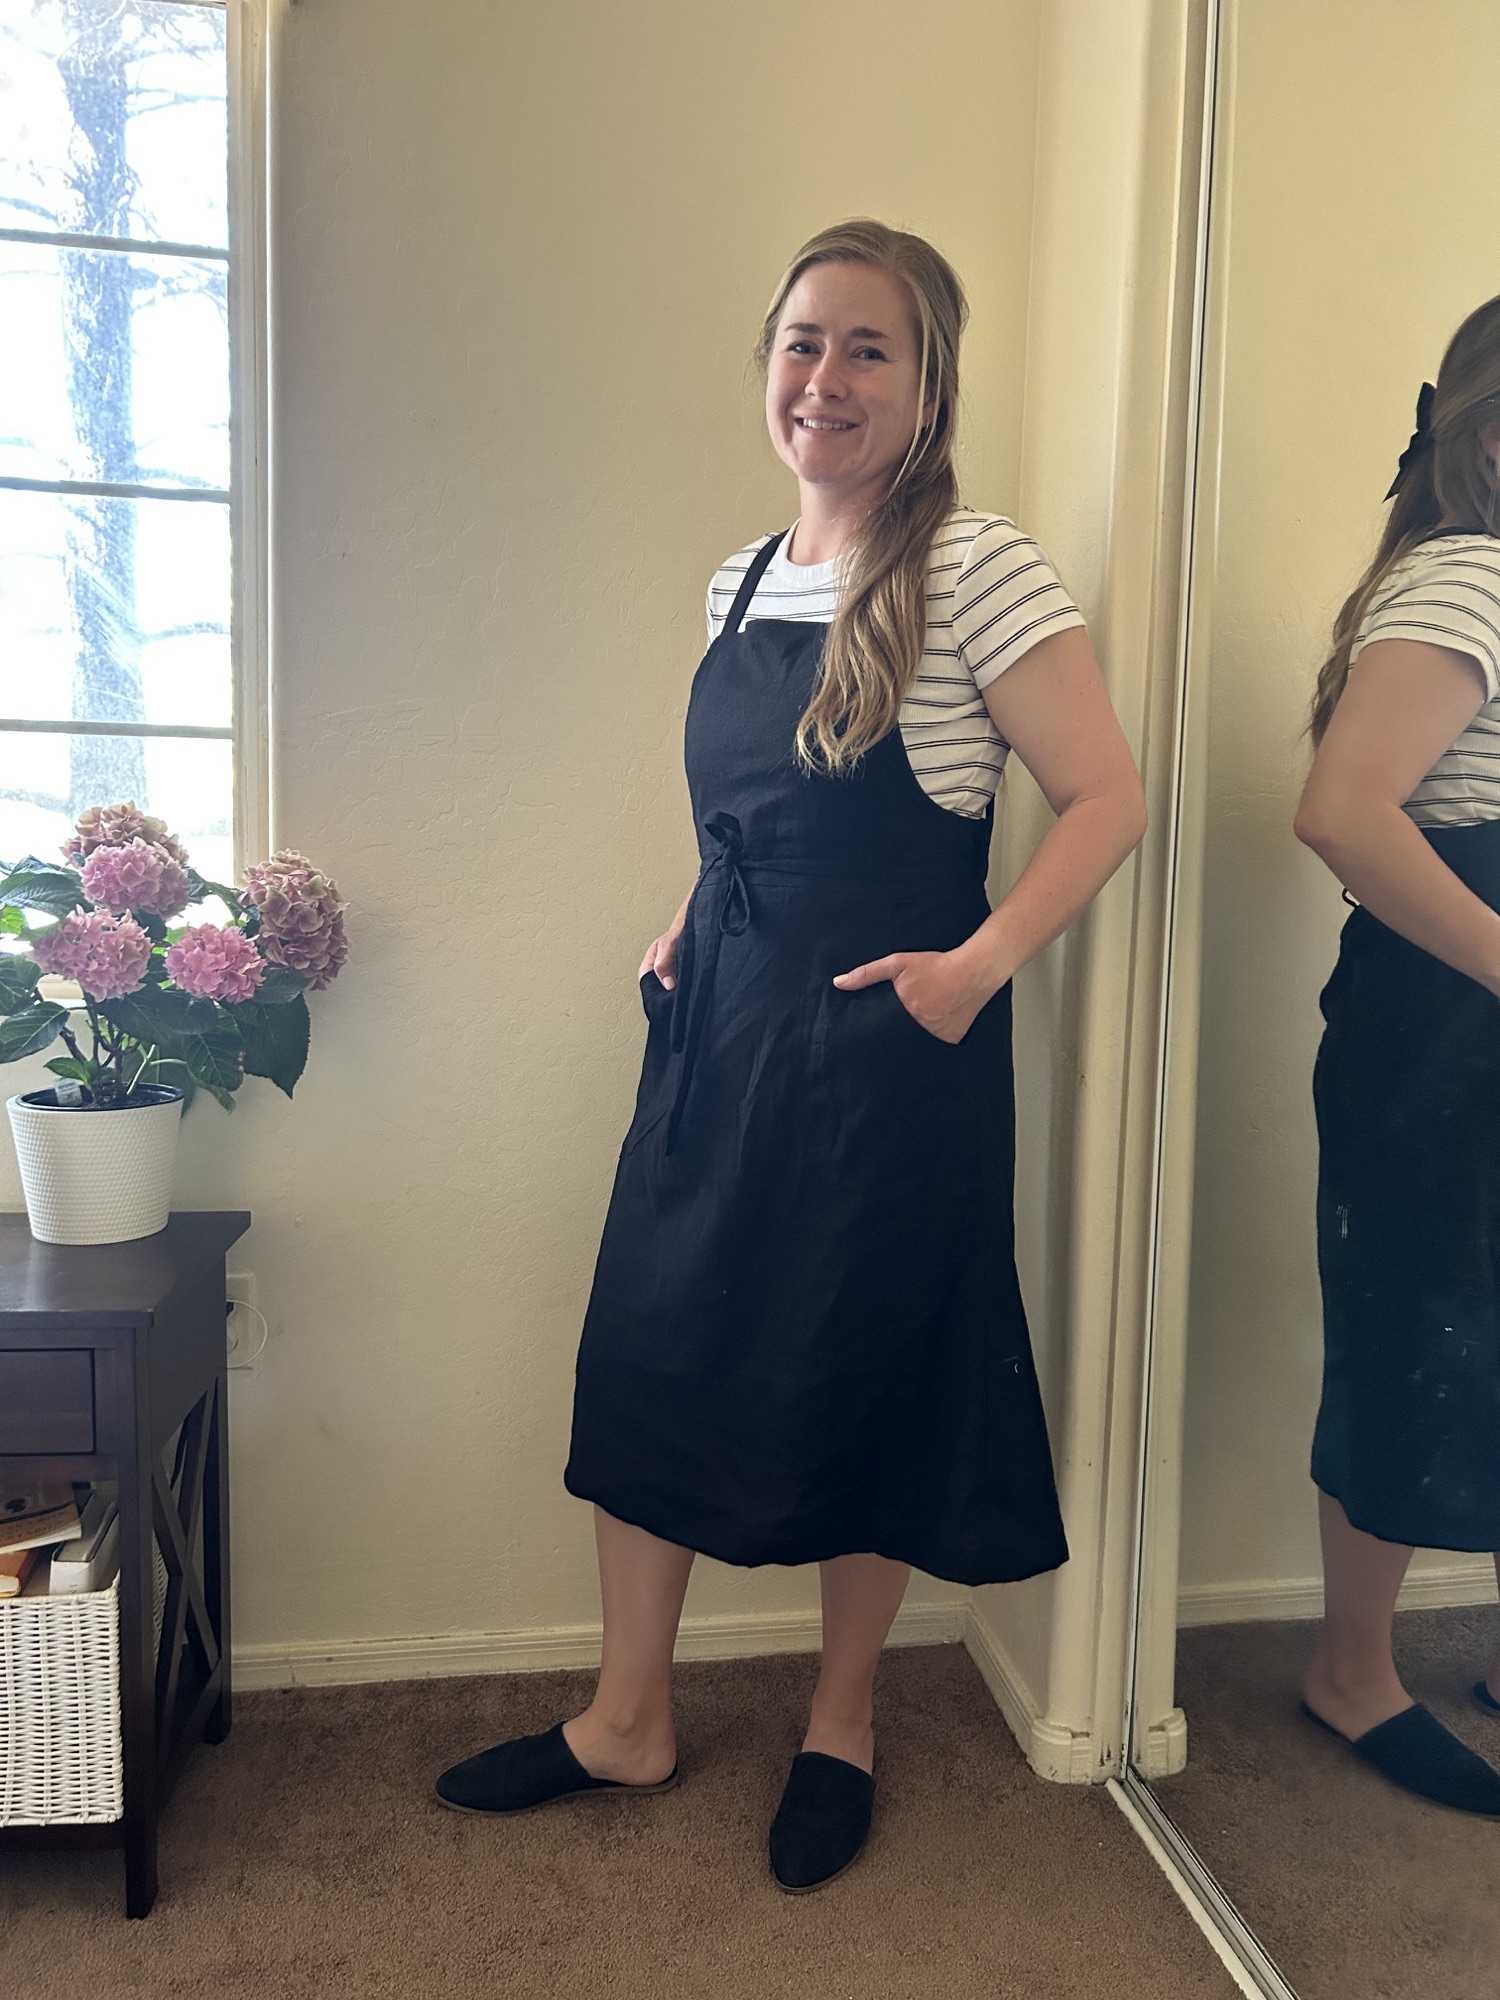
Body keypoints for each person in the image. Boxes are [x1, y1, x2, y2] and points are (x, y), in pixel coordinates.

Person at [436, 219, 1147, 1888]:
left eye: (868, 348)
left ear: (927, 383)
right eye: (803, 342)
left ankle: (843, 1720)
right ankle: (627, 1716)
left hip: (889, 1057)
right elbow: (751, 816)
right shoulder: (741, 579)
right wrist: (690, 918)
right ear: (768, 364)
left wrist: (976, 971)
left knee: (864, 1365)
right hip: (720, 1030)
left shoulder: (978, 563)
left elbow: (1108, 795)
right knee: (653, 1348)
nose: (825, 377)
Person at [1295, 295, 1500, 1815]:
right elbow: (1344, 812)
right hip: (1441, 1025)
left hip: (1462, 1005)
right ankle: (1353, 1672)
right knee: (1412, 1326)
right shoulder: (1470, 576)